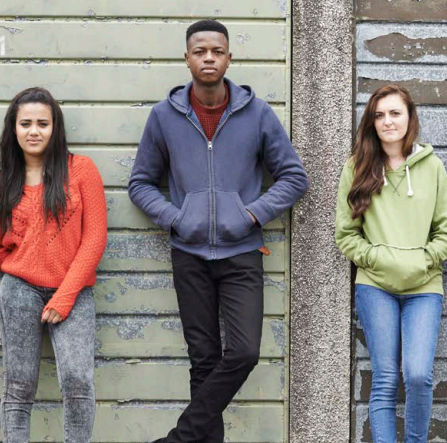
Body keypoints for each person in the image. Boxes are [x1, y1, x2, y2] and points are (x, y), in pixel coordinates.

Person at [128, 19, 308, 443]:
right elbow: (140, 183)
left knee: (243, 352)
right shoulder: (164, 117)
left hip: (241, 252)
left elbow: (294, 177)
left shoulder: (257, 113)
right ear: (187, 57)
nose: (208, 58)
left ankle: (178, 439)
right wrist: (176, 218)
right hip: (188, 253)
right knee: (204, 360)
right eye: (200, 51)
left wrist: (250, 215)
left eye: (217, 51)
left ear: (229, 57)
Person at [0, 87, 107, 443]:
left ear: (55, 128)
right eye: (26, 123)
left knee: (78, 380)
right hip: (20, 292)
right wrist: (26, 266)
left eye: (43, 123)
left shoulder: (81, 170)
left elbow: (94, 238)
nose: (34, 131)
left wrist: (64, 294)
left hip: (74, 291)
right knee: (18, 384)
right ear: (14, 128)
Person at [335, 85, 447, 443]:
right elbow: (346, 235)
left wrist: (421, 261)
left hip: (424, 288)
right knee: (386, 377)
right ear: (371, 122)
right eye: (379, 115)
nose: (387, 121)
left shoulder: (432, 167)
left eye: (395, 113)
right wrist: (378, 259)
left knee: (418, 374)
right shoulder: (356, 168)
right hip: (375, 288)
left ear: (409, 118)